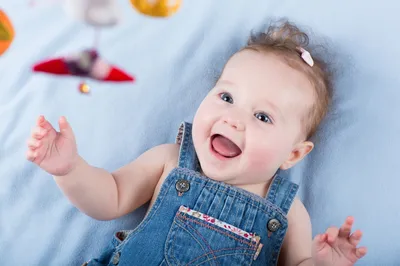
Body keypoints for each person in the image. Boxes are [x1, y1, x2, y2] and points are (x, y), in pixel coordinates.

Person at [26, 20, 367, 265]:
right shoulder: (171, 160)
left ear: (293, 154)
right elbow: (110, 197)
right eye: (227, 96)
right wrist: (70, 169)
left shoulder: (288, 211)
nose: (234, 118)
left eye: (262, 117)